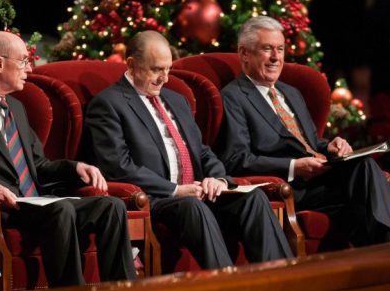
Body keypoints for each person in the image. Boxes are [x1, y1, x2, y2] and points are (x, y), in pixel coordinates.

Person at [0, 31, 136, 287]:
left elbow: (39, 166)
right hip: (6, 206)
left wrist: (77, 168)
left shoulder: (16, 107)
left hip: (37, 201)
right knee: (60, 209)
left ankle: (125, 290)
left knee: (112, 206)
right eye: (23, 61)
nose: (29, 68)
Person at [84, 30, 292, 270]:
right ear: (132, 64)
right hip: (158, 199)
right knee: (193, 206)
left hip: (196, 192)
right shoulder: (109, 104)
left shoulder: (176, 100)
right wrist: (176, 190)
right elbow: (118, 166)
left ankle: (282, 282)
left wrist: (218, 179)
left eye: (168, 69)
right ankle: (230, 287)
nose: (165, 78)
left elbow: (202, 151)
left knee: (252, 199)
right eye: (156, 69)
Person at [219, 16, 390, 247]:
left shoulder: (291, 93)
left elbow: (310, 142)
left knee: (363, 166)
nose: (276, 57)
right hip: (289, 187)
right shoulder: (233, 97)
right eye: (267, 49)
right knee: (362, 197)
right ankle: (387, 251)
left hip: (319, 178)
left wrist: (331, 146)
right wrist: (295, 167)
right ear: (244, 53)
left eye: (280, 49)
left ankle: (383, 248)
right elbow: (237, 159)